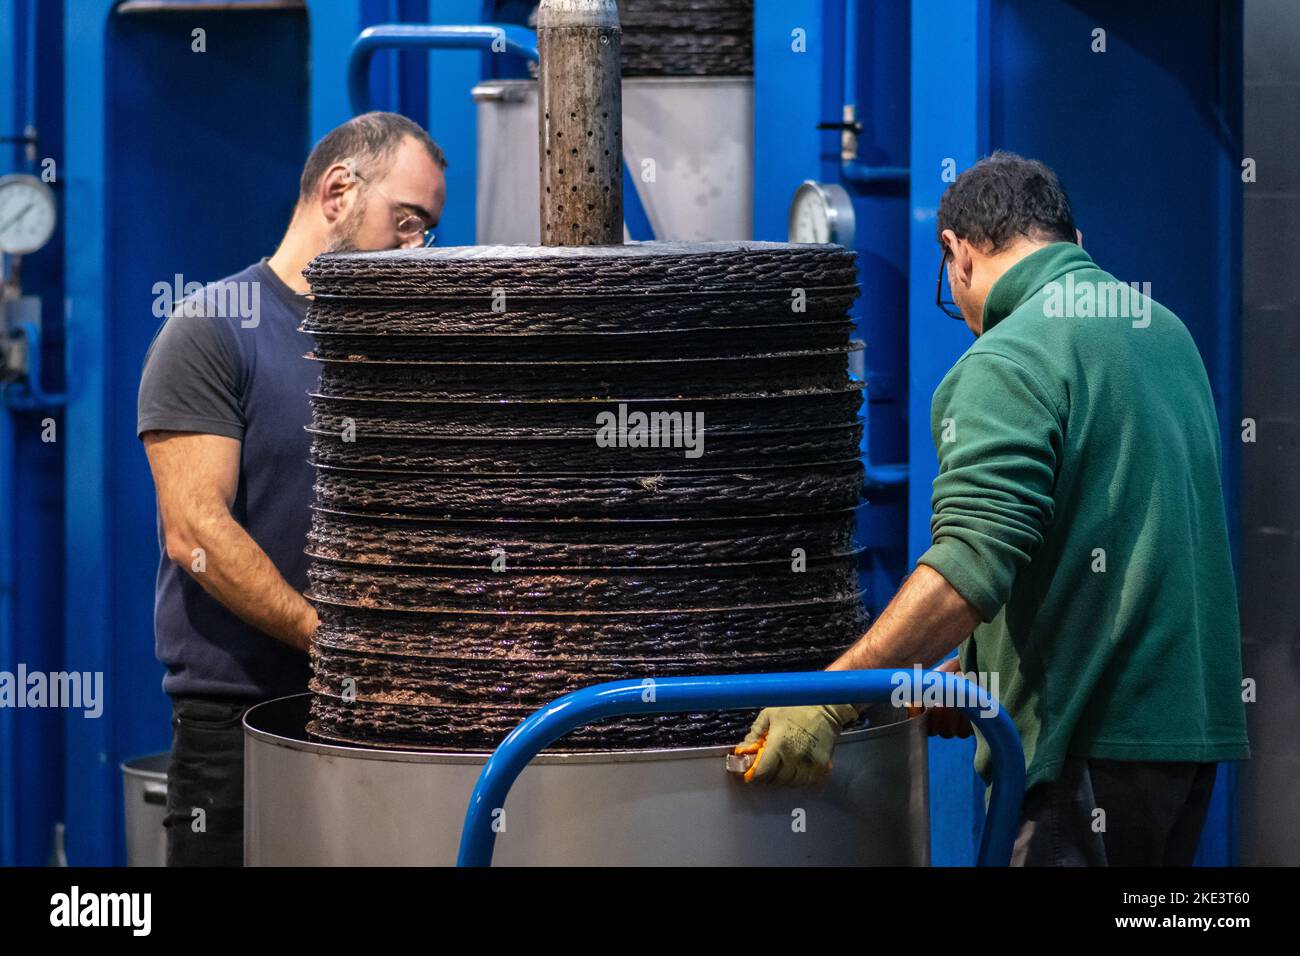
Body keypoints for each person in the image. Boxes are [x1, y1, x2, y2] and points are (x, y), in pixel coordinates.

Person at [739, 151, 1249, 867]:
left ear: (958, 253)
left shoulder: (1008, 359)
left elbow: (970, 564)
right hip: (1185, 744)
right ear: (1071, 238)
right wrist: (983, 673)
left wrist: (832, 698)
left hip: (1079, 754)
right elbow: (1107, 542)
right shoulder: (1164, 332)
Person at [137, 111, 448, 866]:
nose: (417, 250)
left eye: (427, 232)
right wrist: (329, 639)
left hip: (379, 718)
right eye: (406, 222)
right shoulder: (213, 330)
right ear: (339, 190)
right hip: (239, 721)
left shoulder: (398, 346)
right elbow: (194, 531)